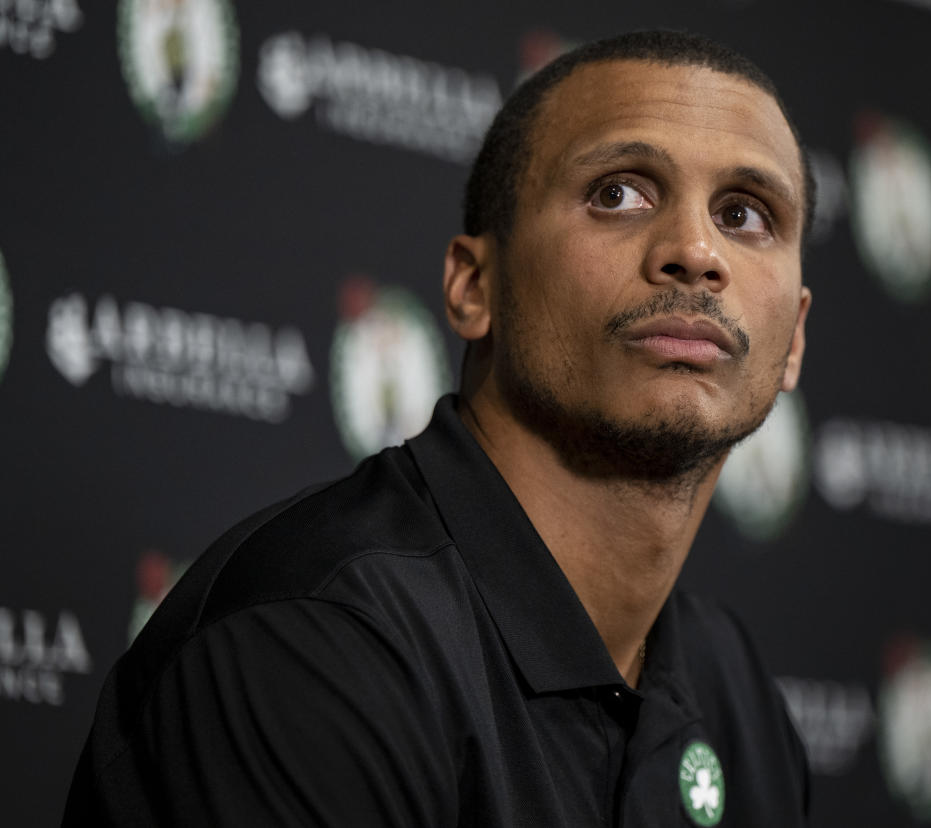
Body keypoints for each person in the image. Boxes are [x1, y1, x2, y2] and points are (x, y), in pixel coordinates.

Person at [63, 29, 815, 826]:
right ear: (472, 286)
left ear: (795, 337)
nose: (696, 252)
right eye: (618, 193)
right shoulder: (314, 645)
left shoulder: (731, 685)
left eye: (744, 213)